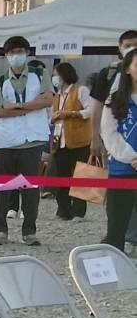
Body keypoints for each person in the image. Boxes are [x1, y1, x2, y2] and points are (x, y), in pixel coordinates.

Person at [0, 35, 53, 246]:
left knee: (31, 189)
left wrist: (16, 107)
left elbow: (47, 100)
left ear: (27, 53)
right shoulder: (0, 80)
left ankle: (29, 231)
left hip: (32, 139)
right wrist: (29, 106)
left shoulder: (40, 74)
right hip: (6, 140)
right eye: (12, 52)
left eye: (20, 51)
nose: (16, 56)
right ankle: (0, 230)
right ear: (6, 55)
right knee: (2, 188)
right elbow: (0, 110)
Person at [48, 61, 97, 222]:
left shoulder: (80, 90)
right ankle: (63, 210)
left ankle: (78, 212)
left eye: (56, 74)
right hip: (59, 141)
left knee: (80, 176)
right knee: (61, 176)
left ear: (64, 75)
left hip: (79, 141)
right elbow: (51, 117)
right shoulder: (56, 95)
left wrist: (69, 114)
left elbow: (90, 111)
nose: (54, 78)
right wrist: (53, 118)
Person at [100, 47, 137, 250]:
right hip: (122, 170)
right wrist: (131, 157)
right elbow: (109, 134)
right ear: (128, 69)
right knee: (116, 228)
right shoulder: (115, 100)